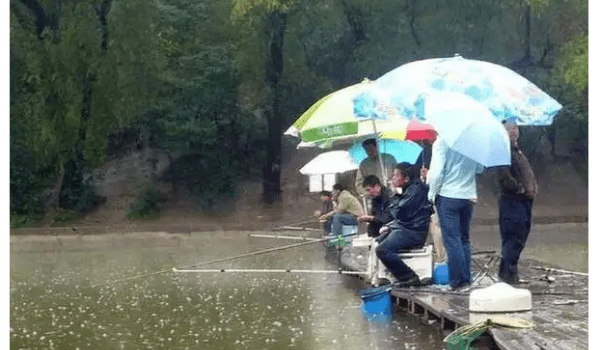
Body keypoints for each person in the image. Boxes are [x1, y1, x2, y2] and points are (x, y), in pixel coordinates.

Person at [427, 138, 484, 291]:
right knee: (464, 238)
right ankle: (466, 279)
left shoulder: (442, 142)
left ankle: (457, 282)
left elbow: (436, 173)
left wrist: (431, 194)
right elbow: (479, 169)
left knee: (452, 240)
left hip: (448, 195)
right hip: (468, 196)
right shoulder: (473, 141)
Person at [375, 163, 433, 286]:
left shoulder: (416, 191)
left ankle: (409, 277)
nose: (393, 178)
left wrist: (394, 193)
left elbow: (398, 212)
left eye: (396, 175)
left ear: (406, 179)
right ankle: (386, 276)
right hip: (406, 228)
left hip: (413, 232)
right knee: (379, 240)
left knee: (382, 250)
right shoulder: (412, 189)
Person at [496, 121, 537, 285]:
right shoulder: (503, 150)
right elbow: (503, 177)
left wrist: (532, 188)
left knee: (521, 236)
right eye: (511, 129)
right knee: (513, 237)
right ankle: (508, 276)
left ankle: (508, 273)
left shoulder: (516, 150)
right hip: (512, 202)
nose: (515, 131)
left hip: (524, 202)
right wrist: (520, 189)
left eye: (516, 128)